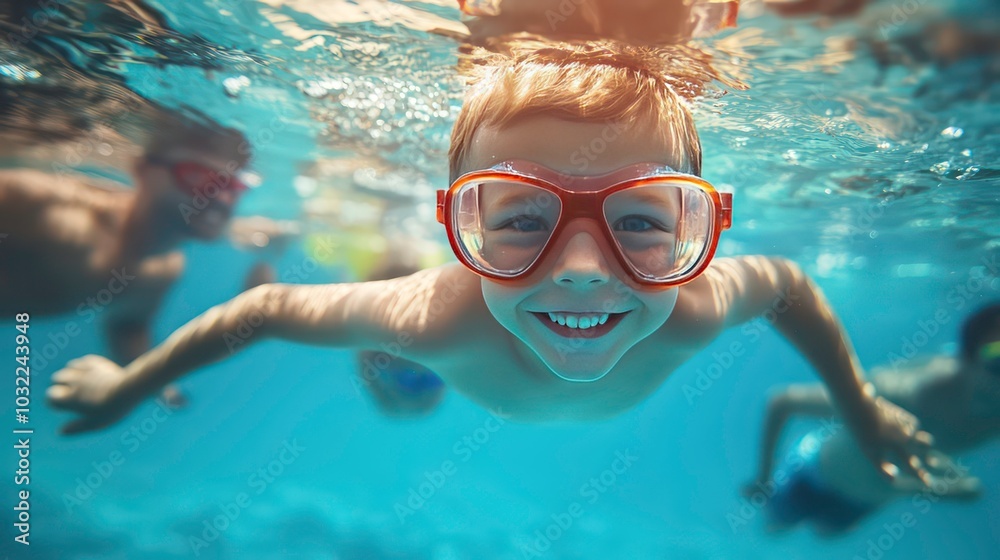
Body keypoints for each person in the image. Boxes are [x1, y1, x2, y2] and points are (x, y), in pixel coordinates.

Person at [48, 41, 937, 489]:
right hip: (421, 339)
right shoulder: (435, 316)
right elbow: (264, 311)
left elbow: (790, 287)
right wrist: (124, 387)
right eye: (518, 219)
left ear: (695, 229)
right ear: (458, 230)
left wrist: (861, 411)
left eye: (638, 219)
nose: (583, 267)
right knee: (397, 380)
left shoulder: (700, 303)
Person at [1, 117, 289, 403]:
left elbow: (128, 325)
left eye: (232, 187)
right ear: (142, 169)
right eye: (197, 176)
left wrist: (152, 386)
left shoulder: (164, 268)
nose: (219, 198)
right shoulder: (40, 206)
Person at [744, 303, 1000, 535]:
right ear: (966, 358)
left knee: (825, 535)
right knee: (774, 529)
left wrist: (944, 486)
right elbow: (782, 401)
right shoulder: (898, 392)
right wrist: (764, 479)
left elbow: (925, 454)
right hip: (812, 478)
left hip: (861, 505)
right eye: (998, 359)